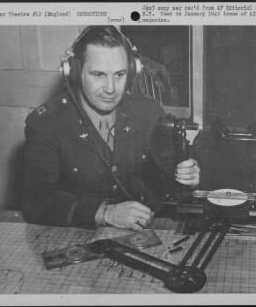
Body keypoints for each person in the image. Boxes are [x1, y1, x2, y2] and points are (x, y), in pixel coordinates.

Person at [22, 26, 200, 231]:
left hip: (143, 232)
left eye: (119, 74)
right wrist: (104, 213)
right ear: (75, 71)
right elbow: (36, 201)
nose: (110, 88)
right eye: (98, 74)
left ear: (131, 72)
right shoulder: (46, 123)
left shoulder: (149, 112)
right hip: (78, 235)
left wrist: (187, 177)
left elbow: (167, 177)